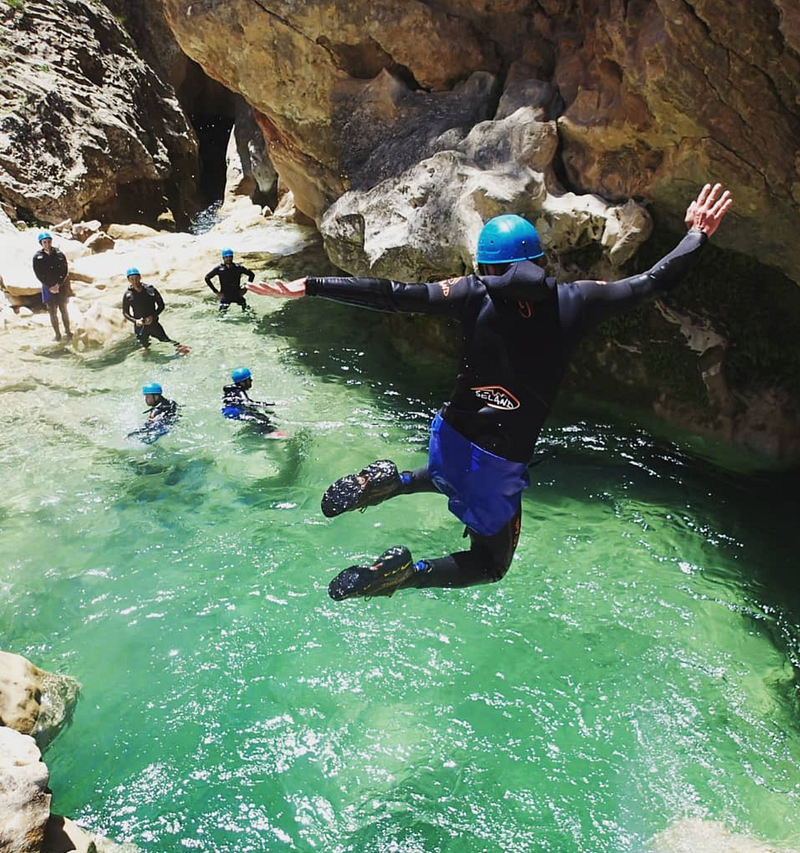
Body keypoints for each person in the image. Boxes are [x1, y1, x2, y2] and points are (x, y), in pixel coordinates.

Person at [248, 182, 733, 602]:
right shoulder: (578, 300)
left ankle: (387, 483)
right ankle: (405, 575)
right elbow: (651, 282)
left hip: (448, 436)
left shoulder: (470, 292)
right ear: (538, 261)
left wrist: (311, 285)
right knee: (489, 564)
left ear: (488, 266)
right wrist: (697, 233)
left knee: (447, 476)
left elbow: (392, 295)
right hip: (496, 465)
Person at [121, 268, 189, 354]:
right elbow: (125, 312)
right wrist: (135, 321)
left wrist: (152, 317)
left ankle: (181, 348)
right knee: (144, 345)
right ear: (128, 280)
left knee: (165, 339)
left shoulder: (150, 290)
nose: (135, 281)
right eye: (132, 279)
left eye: (136, 278)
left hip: (153, 324)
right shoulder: (128, 295)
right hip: (140, 326)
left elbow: (161, 305)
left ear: (140, 277)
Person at [222, 367, 285, 436]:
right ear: (242, 382)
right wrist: (274, 403)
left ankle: (266, 430)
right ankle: (269, 433)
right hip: (235, 412)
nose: (251, 380)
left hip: (228, 410)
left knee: (258, 412)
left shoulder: (233, 390)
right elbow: (248, 403)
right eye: (249, 379)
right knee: (262, 419)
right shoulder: (240, 391)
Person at [32, 231, 71, 341]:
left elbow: (65, 270)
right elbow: (38, 274)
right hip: (47, 286)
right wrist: (50, 286)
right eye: (44, 242)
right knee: (52, 311)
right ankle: (57, 334)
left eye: (49, 241)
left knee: (63, 309)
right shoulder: (37, 257)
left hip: (60, 285)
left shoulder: (59, 254)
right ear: (41, 243)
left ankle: (68, 331)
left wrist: (58, 284)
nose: (47, 244)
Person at [205, 248, 255, 312]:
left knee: (247, 311)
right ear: (223, 258)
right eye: (226, 257)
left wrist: (245, 288)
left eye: (230, 256)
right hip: (225, 295)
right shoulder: (219, 269)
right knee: (221, 314)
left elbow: (251, 275)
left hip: (237, 293)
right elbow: (207, 278)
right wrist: (216, 292)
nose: (228, 258)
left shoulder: (238, 267)